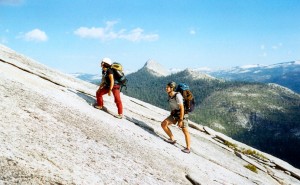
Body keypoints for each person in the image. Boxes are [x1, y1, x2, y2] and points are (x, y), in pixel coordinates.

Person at [161, 81, 191, 153]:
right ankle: (172, 139)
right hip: (175, 114)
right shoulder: (170, 95)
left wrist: (180, 120)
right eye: (166, 87)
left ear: (172, 88)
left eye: (167, 87)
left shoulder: (177, 95)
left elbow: (182, 108)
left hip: (182, 115)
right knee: (163, 124)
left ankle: (188, 148)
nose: (166, 88)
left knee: (185, 131)